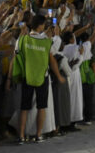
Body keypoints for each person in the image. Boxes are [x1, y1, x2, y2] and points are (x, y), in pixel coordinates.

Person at [15, 15, 64, 145]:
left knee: (24, 108)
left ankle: (21, 136)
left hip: (27, 76)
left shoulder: (23, 39)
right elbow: (52, 59)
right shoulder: (46, 41)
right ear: (41, 25)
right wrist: (59, 76)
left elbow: (17, 54)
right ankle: (38, 134)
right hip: (42, 77)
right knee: (41, 107)